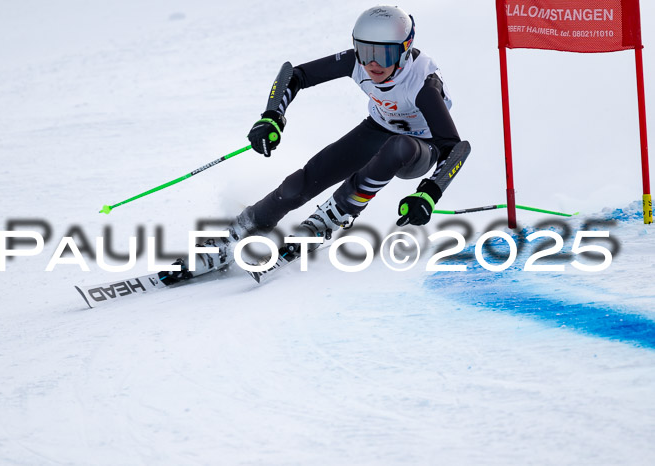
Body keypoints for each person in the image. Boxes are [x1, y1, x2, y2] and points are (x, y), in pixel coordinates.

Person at [167, 5, 469, 280]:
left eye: (385, 55)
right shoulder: (357, 63)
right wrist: (272, 116)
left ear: (404, 52)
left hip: (419, 149)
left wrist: (429, 193)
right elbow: (294, 73)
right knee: (298, 185)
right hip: (377, 129)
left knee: (398, 146)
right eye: (365, 51)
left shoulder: (423, 85)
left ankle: (334, 215)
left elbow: (455, 148)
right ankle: (237, 232)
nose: (373, 65)